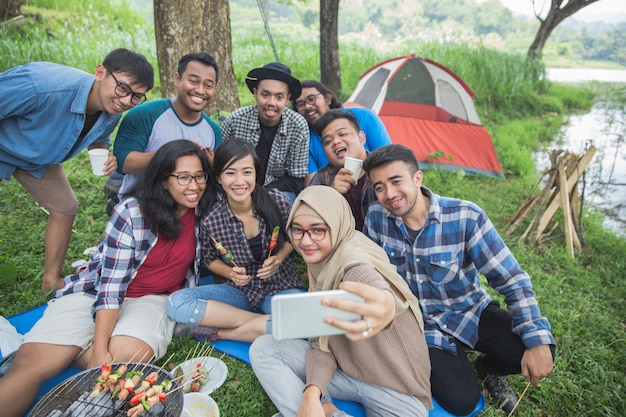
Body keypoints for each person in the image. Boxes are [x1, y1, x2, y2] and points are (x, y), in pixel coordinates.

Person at [0, 139, 211, 417]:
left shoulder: (207, 211)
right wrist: (99, 350)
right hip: (95, 290)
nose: (194, 185)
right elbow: (111, 288)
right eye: (183, 177)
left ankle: (66, 353)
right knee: (30, 366)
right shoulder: (133, 213)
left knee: (125, 364)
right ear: (162, 180)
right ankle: (62, 351)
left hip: (152, 299)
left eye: (200, 176)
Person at [361, 144, 556, 416]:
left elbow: (511, 278)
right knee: (462, 402)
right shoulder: (376, 218)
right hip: (421, 326)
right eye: (379, 187)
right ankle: (451, 357)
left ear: (417, 178)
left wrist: (536, 341)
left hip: (468, 312)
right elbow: (371, 272)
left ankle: (490, 368)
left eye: (396, 181)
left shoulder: (466, 216)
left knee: (535, 347)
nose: (389, 194)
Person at [250, 186, 432, 417]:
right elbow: (320, 340)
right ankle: (323, 408)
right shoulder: (321, 263)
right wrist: (312, 394)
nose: (306, 241)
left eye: (317, 230)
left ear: (335, 224)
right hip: (345, 369)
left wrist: (386, 306)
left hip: (393, 386)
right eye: (298, 230)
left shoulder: (352, 261)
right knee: (265, 348)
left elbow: (376, 287)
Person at [0, 48, 154, 292]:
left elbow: (100, 138)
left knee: (65, 207)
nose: (126, 100)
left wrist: (105, 152)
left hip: (38, 159)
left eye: (136, 96)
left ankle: (50, 282)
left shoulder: (112, 109)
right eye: (123, 88)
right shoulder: (41, 86)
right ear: (100, 72)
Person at [166, 138, 305, 342]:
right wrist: (230, 272)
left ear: (256, 174)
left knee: (305, 324)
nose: (239, 181)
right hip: (239, 292)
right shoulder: (211, 220)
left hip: (278, 285)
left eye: (247, 172)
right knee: (176, 302)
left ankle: (219, 332)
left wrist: (279, 258)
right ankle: (264, 323)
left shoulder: (277, 201)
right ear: (219, 178)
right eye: (230, 172)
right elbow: (209, 259)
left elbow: (294, 235)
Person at [114, 52, 222, 200]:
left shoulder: (213, 130)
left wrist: (212, 166)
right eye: (193, 81)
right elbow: (122, 162)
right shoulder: (145, 114)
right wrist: (171, 154)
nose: (200, 90)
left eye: (208, 85)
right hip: (141, 207)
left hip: (190, 211)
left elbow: (215, 178)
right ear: (177, 79)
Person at [221, 62, 309, 202]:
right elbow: (221, 164)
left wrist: (261, 194)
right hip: (237, 186)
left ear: (287, 99)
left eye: (279, 97)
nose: (271, 103)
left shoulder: (298, 126)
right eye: (265, 94)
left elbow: (296, 178)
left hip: (277, 190)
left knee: (284, 201)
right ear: (255, 93)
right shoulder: (235, 120)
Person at [292, 80, 391, 186]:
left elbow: (388, 159)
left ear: (328, 98)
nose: (307, 106)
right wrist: (334, 189)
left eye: (311, 99)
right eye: (300, 104)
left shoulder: (365, 116)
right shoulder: (304, 140)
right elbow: (312, 188)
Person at [309, 109, 376, 230]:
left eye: (343, 134)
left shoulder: (383, 167)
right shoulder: (321, 179)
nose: (335, 141)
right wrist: (332, 195)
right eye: (328, 141)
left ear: (361, 138)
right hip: (343, 246)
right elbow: (310, 221)